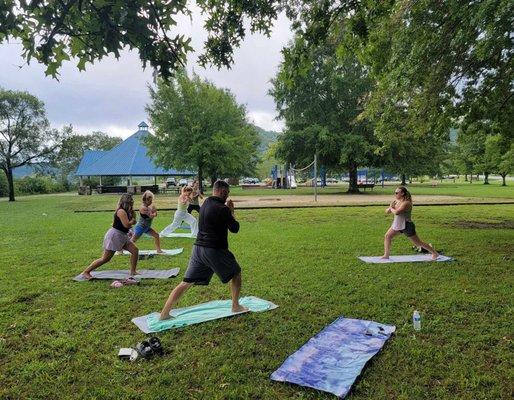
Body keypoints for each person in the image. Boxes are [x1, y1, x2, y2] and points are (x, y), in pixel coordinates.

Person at [159, 180, 247, 320]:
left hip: (198, 249)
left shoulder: (205, 203)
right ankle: (235, 306)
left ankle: (164, 313)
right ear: (223, 192)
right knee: (236, 273)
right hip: (214, 250)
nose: (227, 195)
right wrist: (231, 211)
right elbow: (235, 228)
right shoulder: (223, 209)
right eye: (227, 193)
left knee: (186, 282)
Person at [81, 194, 139, 279]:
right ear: (126, 202)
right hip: (115, 236)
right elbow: (126, 224)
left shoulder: (129, 212)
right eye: (131, 201)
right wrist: (132, 222)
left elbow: (126, 226)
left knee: (135, 250)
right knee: (105, 258)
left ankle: (133, 271)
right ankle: (86, 272)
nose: (132, 203)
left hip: (123, 235)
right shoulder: (121, 211)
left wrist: (130, 229)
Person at [382, 186, 439, 260]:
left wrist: (391, 208)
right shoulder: (397, 201)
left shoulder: (407, 203)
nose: (395, 194)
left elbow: (397, 212)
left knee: (418, 243)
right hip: (397, 224)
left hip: (407, 225)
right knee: (387, 236)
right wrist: (390, 208)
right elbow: (387, 211)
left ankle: (435, 253)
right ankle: (386, 255)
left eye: (396, 193)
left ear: (402, 193)